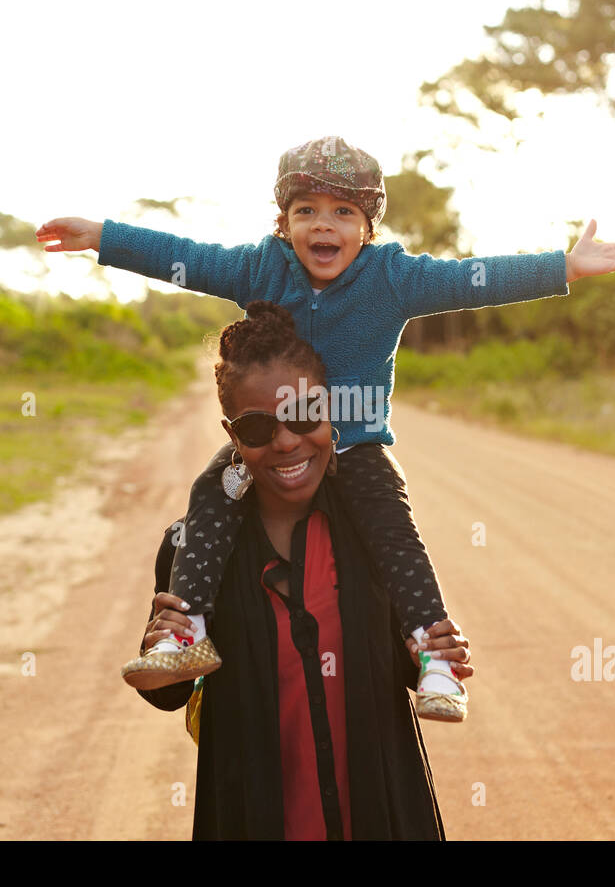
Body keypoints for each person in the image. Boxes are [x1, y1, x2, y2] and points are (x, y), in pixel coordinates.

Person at [37, 135, 615, 720]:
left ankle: (434, 656)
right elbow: (187, 260)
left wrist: (564, 267)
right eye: (306, 210)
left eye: (342, 211)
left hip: (354, 445)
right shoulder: (260, 270)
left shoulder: (393, 278)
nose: (323, 225)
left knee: (393, 531)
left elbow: (474, 277)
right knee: (210, 493)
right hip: (269, 440)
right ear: (285, 222)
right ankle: (187, 630)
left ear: (366, 227)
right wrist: (102, 237)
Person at [136, 301, 473, 839]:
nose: (287, 440)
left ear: (330, 409)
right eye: (257, 426)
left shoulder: (372, 537)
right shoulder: (194, 549)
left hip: (378, 814)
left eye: (303, 414)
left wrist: (432, 654)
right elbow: (167, 692)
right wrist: (159, 639)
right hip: (252, 815)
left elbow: (403, 664)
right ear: (231, 433)